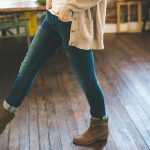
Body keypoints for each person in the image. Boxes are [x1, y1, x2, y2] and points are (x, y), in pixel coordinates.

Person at [0, 0, 109, 146]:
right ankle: (3, 117)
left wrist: (69, 6)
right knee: (27, 68)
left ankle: (99, 125)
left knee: (86, 79)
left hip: (72, 22)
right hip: (51, 17)